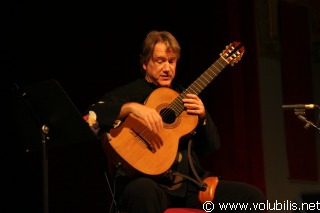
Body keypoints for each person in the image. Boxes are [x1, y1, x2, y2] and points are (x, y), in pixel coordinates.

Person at [85, 30, 266, 213]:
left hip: (190, 187)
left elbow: (211, 147)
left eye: (171, 61)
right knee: (141, 190)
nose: (167, 68)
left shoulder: (185, 96)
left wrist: (202, 118)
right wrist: (132, 108)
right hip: (151, 185)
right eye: (160, 60)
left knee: (252, 197)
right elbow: (91, 116)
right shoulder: (130, 92)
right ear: (145, 63)